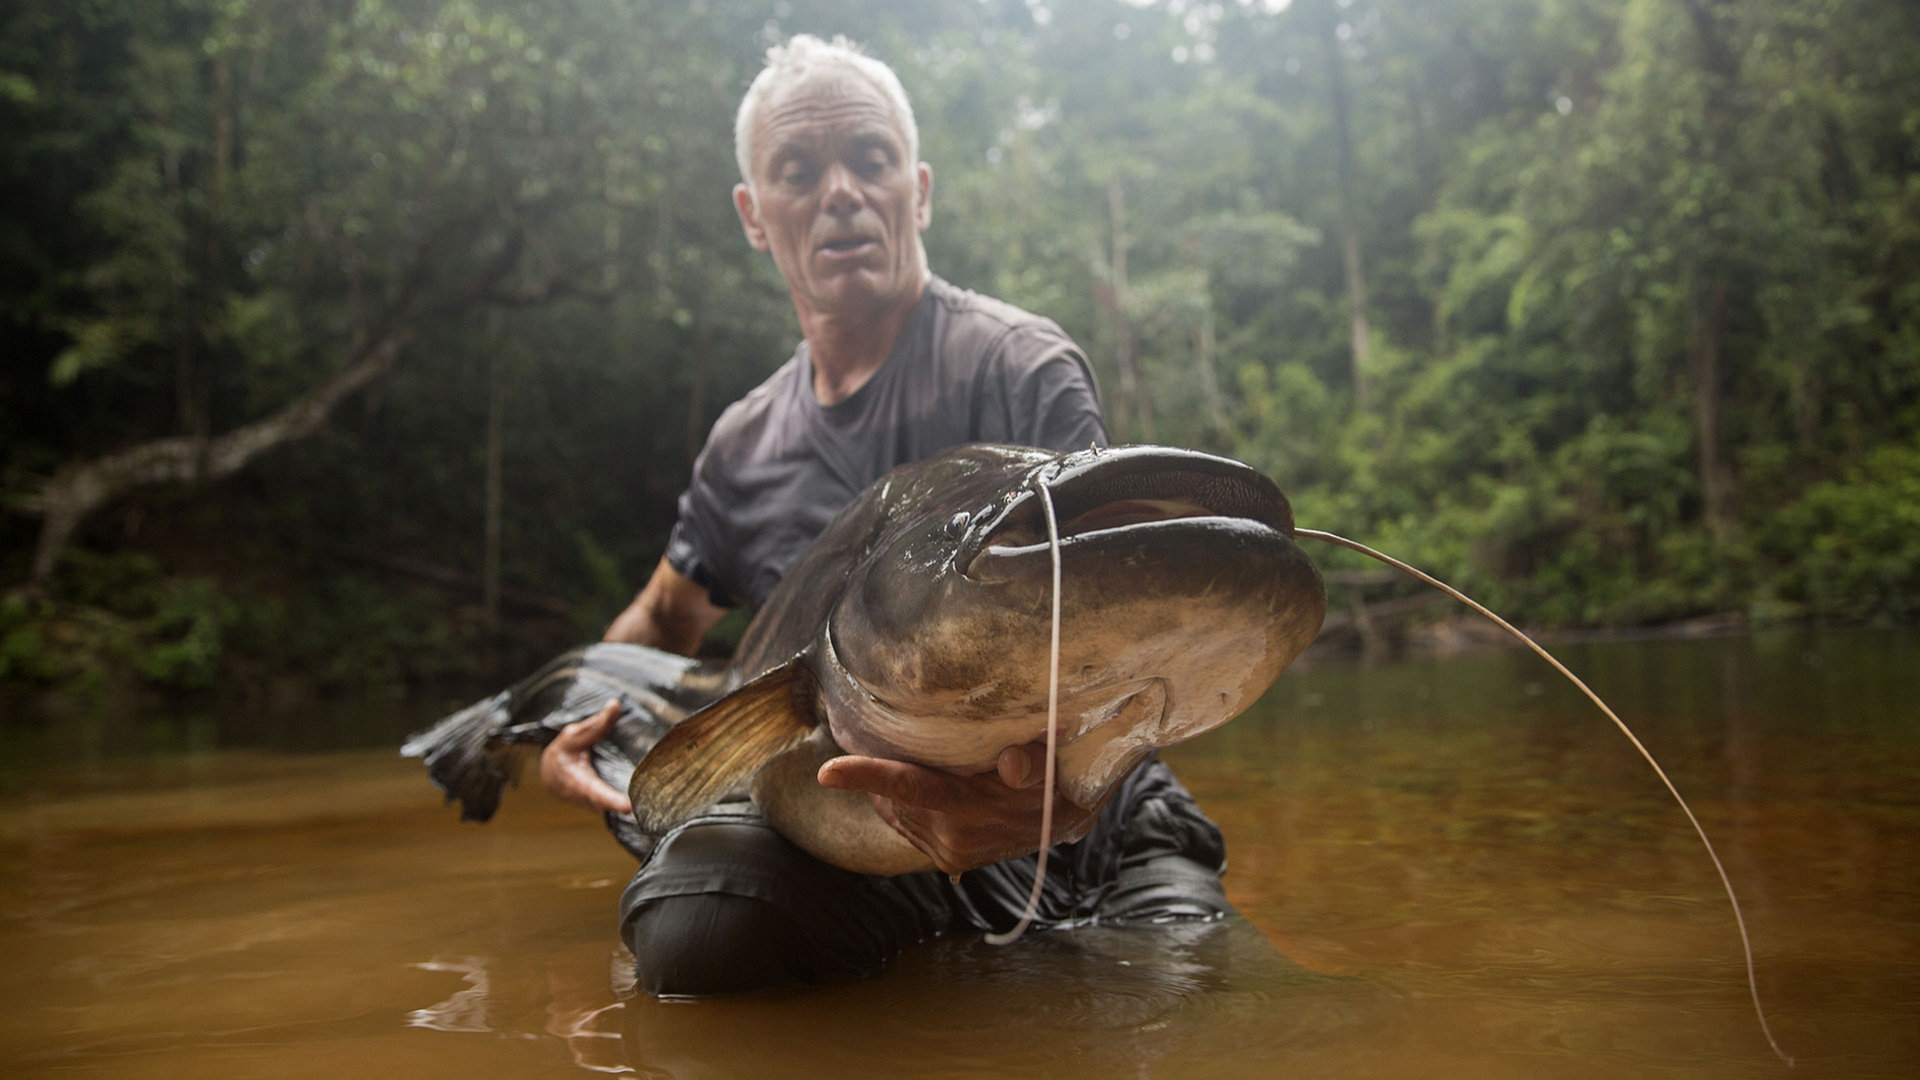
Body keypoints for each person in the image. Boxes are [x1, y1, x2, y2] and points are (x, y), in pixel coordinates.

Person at [540, 34, 1230, 995]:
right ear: (753, 213)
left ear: (919, 190)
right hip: (861, 821)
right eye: (799, 170)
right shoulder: (742, 445)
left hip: (1081, 822)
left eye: (870, 160)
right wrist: (577, 723)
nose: (840, 194)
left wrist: (1063, 806)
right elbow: (662, 621)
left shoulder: (1020, 368)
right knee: (697, 936)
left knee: (1214, 1007)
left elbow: (1113, 644)